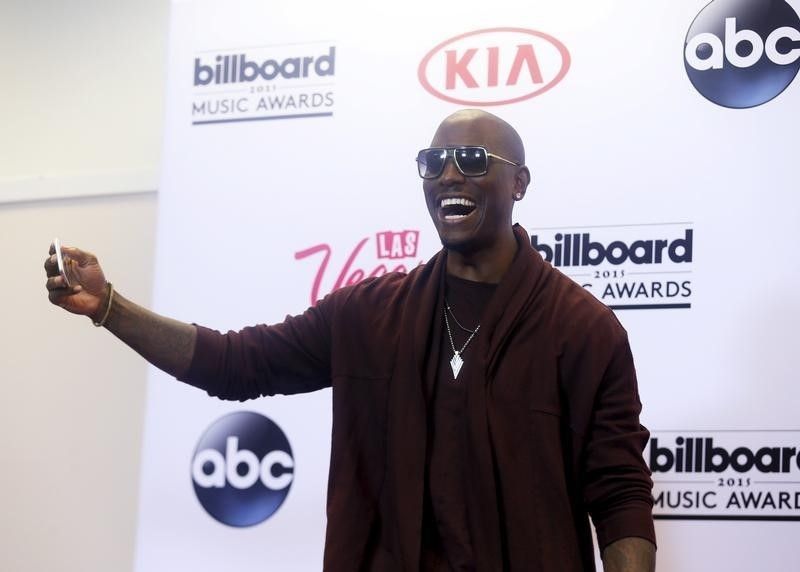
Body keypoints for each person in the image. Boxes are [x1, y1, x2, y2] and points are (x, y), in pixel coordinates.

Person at [45, 109, 656, 571]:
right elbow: (236, 363)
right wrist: (110, 307)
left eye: (473, 161)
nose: (449, 175)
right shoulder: (368, 313)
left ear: (519, 182)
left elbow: (620, 494)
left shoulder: (583, 329)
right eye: (433, 162)